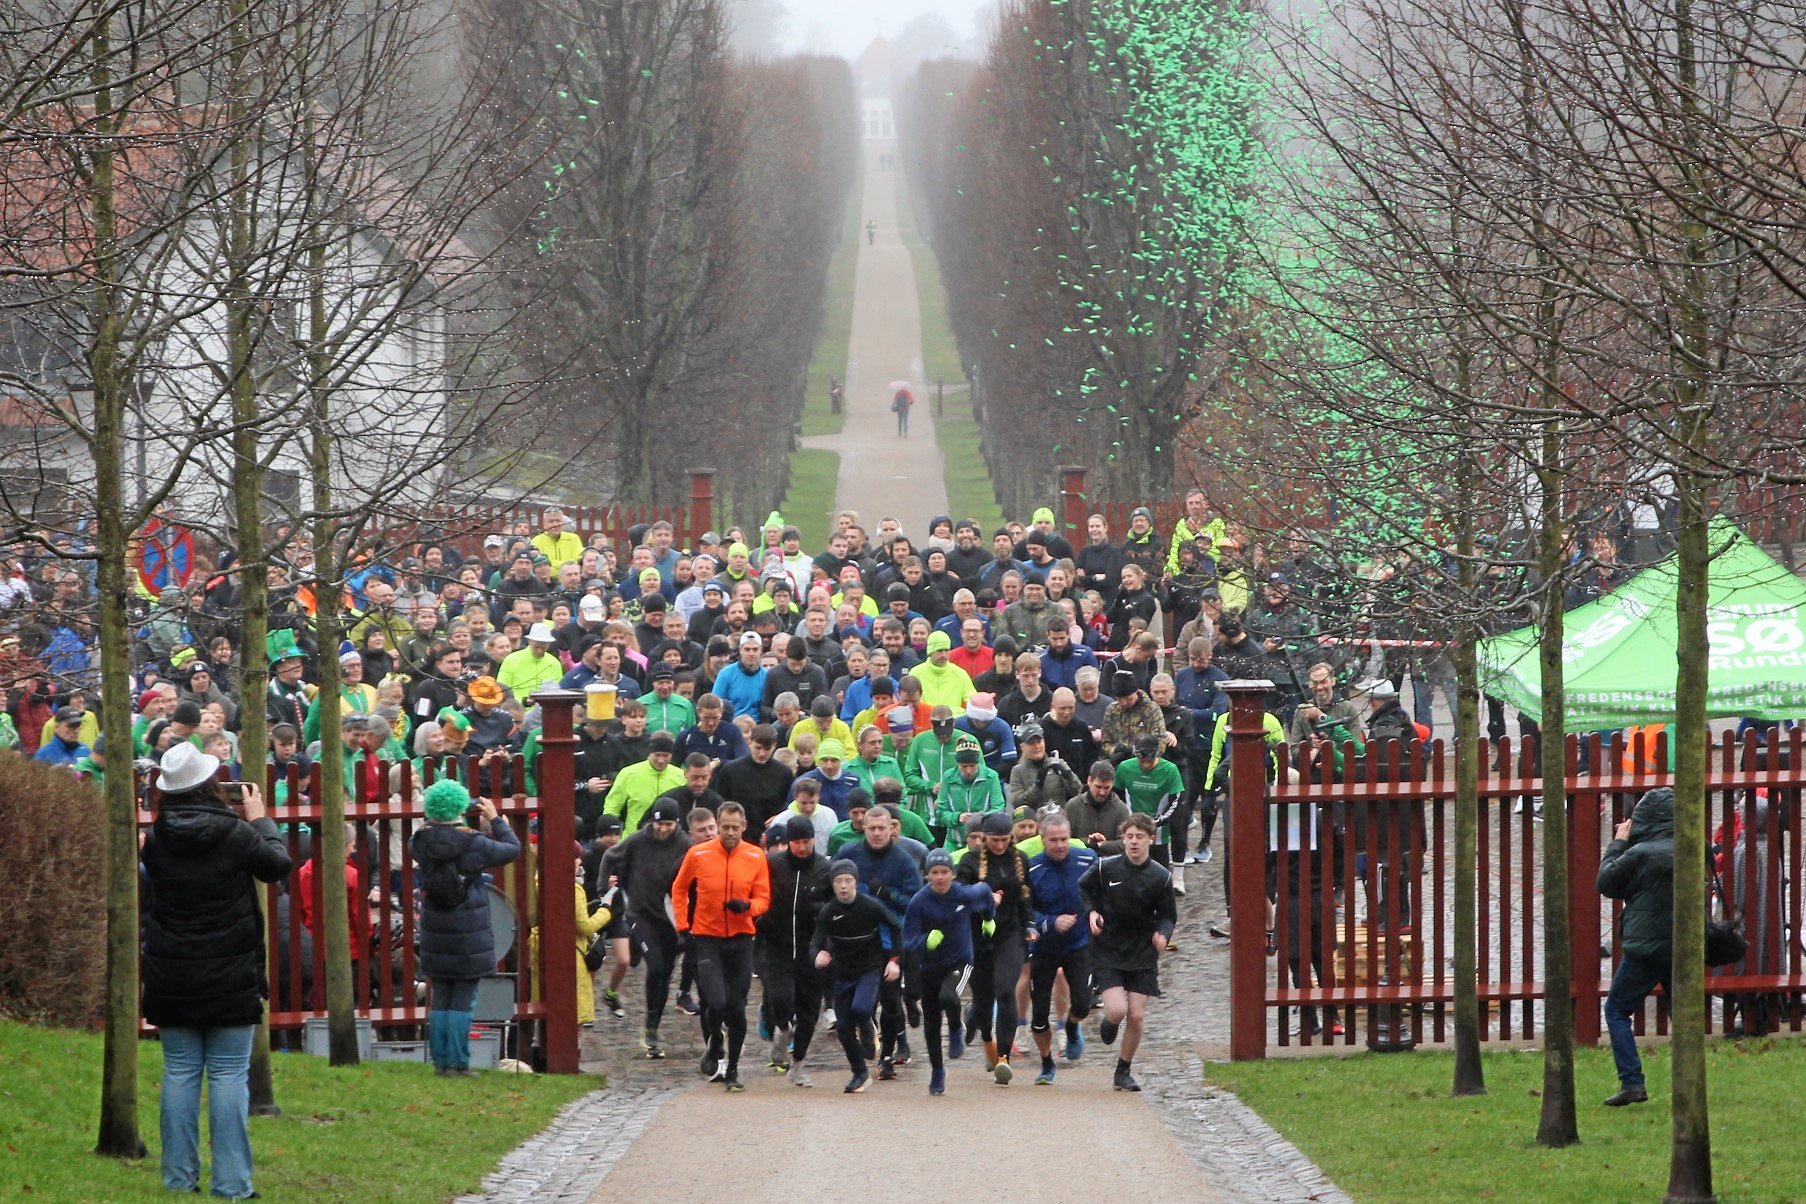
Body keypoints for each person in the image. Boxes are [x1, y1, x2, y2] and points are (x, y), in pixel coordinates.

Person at [140, 742, 292, 1199]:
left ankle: (178, 1179)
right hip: (230, 971)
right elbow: (277, 865)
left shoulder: (158, 837)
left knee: (180, 1071)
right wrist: (259, 817)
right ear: (210, 785)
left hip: (172, 971)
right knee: (228, 1074)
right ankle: (232, 1183)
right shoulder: (235, 834)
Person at [411, 775, 522, 1075]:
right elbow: (512, 849)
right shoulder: (472, 843)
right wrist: (497, 821)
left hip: (436, 925)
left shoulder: (420, 840)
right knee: (463, 999)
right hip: (468, 927)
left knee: (441, 997)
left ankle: (440, 1062)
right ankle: (459, 1062)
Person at [671, 801, 771, 1091]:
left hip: (740, 939)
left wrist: (748, 907)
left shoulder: (755, 856)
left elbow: (765, 898)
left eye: (734, 827)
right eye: (724, 826)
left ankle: (734, 1069)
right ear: (718, 824)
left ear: (743, 826)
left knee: (737, 1008)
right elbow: (679, 888)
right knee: (715, 1002)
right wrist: (682, 926)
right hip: (707, 938)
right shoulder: (698, 853)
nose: (729, 832)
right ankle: (715, 1040)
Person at [1079, 813, 1176, 1092]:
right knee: (1118, 1010)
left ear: (1151, 840)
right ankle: (1109, 1021)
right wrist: (1092, 912)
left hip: (1143, 951)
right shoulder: (1104, 868)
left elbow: (1169, 915)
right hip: (1108, 948)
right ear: (1123, 839)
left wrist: (1163, 934)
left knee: (1136, 1015)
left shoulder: (1160, 876)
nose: (1134, 842)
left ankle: (1123, 1070)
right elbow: (1084, 889)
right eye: (1130, 837)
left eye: (1140, 837)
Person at [1598, 787, 1675, 1107]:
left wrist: (1618, 842)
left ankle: (1632, 1082)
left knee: (1616, 1010)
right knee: (1682, 1013)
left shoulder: (1639, 853)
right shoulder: (1692, 846)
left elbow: (1607, 882)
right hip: (1683, 943)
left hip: (1646, 946)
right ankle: (1687, 1077)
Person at [839, 803, 924, 1078]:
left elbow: (914, 901)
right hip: (856, 939)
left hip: (891, 939)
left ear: (891, 829)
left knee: (890, 1001)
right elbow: (834, 890)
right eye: (871, 828)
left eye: (881, 828)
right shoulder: (849, 855)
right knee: (859, 1000)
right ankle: (866, 1030)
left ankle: (887, 1054)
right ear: (863, 828)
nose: (876, 833)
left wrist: (887, 894)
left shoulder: (903, 860)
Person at [603, 798, 692, 1058]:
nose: (663, 829)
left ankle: (652, 1026)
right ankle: (650, 1026)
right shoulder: (638, 840)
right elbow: (610, 855)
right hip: (640, 913)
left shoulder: (684, 844)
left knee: (665, 973)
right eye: (659, 824)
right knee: (654, 966)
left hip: (670, 916)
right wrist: (605, 891)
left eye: (668, 824)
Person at [903, 847, 996, 1095]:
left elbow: (985, 892)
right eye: (935, 872)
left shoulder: (962, 894)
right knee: (931, 1021)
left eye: (945, 872)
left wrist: (989, 918)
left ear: (953, 874)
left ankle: (956, 1026)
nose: (940, 877)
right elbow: (908, 939)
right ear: (927, 875)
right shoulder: (919, 901)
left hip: (960, 961)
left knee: (948, 996)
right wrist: (925, 941)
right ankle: (937, 1070)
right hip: (929, 965)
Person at [812, 859, 902, 1093]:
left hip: (869, 968)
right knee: (843, 1027)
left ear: (855, 882)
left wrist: (894, 960)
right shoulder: (829, 911)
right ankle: (860, 1073)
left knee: (861, 1009)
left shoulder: (870, 906)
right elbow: (816, 941)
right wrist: (819, 954)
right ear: (833, 884)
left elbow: (895, 926)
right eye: (838, 882)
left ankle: (869, 1032)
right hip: (842, 972)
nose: (843, 886)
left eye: (848, 881)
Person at [958, 810, 1033, 1084]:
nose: (999, 845)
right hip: (977, 936)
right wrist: (982, 896)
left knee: (1005, 990)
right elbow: (959, 897)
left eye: (1004, 840)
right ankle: (987, 1038)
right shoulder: (969, 861)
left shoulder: (1019, 860)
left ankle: (1004, 1057)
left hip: (1009, 934)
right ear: (984, 838)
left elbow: (1026, 897)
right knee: (982, 999)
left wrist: (1031, 926)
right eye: (994, 840)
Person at [758, 814, 833, 1086]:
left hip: (810, 949)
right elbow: (757, 893)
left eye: (806, 841)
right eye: (796, 842)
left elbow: (834, 908)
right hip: (775, 945)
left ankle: (798, 1063)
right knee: (781, 998)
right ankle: (781, 1028)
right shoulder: (772, 865)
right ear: (787, 842)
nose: (802, 847)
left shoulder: (825, 868)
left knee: (809, 1010)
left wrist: (828, 945)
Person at [1027, 813, 1099, 1083]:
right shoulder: (1033, 869)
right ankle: (1047, 1063)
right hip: (1044, 948)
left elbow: (1099, 893)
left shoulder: (1086, 860)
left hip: (1078, 944)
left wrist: (1097, 916)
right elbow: (1025, 912)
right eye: (1053, 840)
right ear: (1042, 839)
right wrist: (1050, 922)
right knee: (1039, 1015)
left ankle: (1070, 1026)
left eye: (1064, 840)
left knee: (1082, 1004)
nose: (1059, 845)